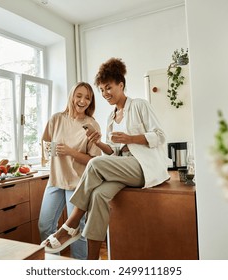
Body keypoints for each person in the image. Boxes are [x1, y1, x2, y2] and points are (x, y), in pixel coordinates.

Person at [41, 58, 170, 259]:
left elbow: (160, 135)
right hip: (123, 166)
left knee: (94, 162)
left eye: (108, 88)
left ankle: (70, 225)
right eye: (101, 90)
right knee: (99, 195)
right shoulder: (111, 118)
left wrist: (130, 138)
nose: (105, 93)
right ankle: (92, 263)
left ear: (121, 85)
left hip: (143, 167)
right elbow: (114, 154)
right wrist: (99, 143)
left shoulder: (139, 105)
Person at [38, 82, 102, 260]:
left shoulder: (92, 125)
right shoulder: (56, 119)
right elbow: (45, 145)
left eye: (88, 98)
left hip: (78, 184)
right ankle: (55, 264)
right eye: (79, 96)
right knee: (45, 226)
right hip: (55, 180)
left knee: (76, 230)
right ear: (72, 96)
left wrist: (70, 152)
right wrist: (52, 153)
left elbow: (94, 161)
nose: (83, 101)